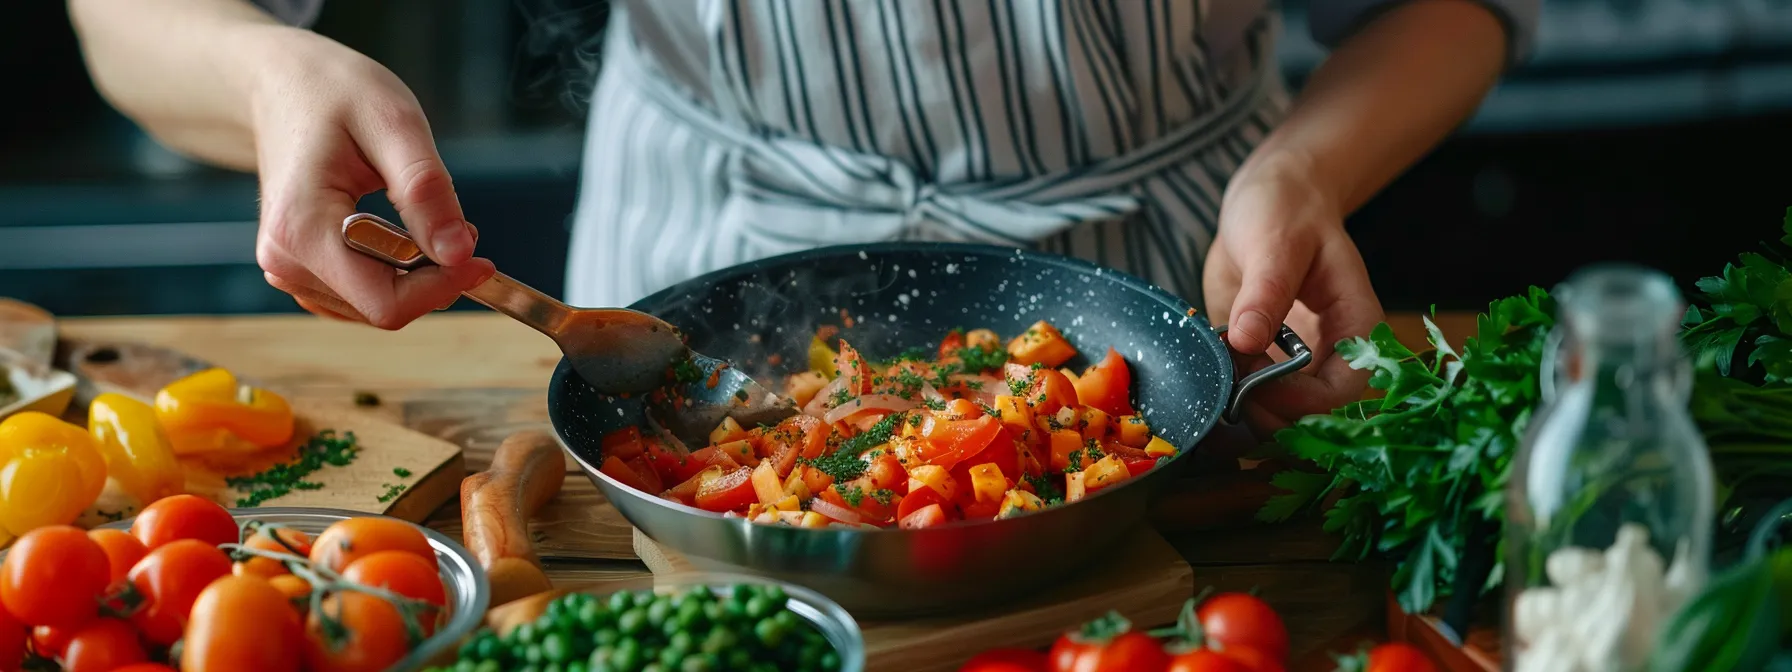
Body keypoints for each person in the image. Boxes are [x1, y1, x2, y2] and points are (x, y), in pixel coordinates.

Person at [68, 0, 1536, 431]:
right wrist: (270, 73)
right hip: (691, 274)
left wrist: (1303, 174)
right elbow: (129, 21)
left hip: (1172, 292)